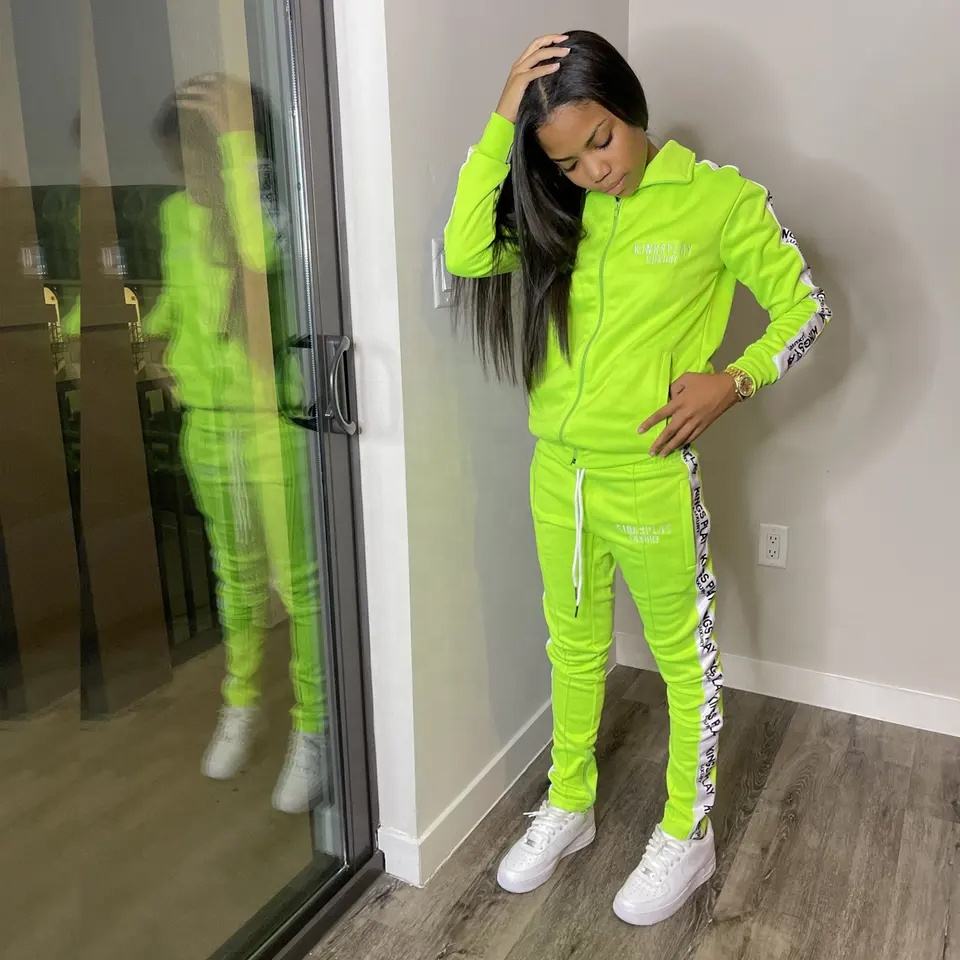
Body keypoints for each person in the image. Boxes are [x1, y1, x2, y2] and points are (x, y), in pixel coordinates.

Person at [443, 30, 830, 926]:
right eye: (568, 161)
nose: (595, 170)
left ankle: (687, 834)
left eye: (603, 140)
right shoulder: (561, 210)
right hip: (558, 474)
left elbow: (806, 308)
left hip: (649, 478)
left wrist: (735, 380)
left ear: (631, 107)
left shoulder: (719, 200)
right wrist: (504, 120)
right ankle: (569, 805)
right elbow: (464, 251)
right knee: (573, 649)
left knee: (682, 660)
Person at [149, 75, 330, 814]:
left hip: (269, 422)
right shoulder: (174, 214)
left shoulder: (270, 210)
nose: (187, 173)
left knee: (301, 586)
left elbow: (256, 262)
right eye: (181, 157)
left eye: (201, 153)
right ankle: (242, 700)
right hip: (206, 423)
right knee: (235, 576)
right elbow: (176, 292)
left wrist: (234, 149)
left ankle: (315, 727)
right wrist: (161, 342)